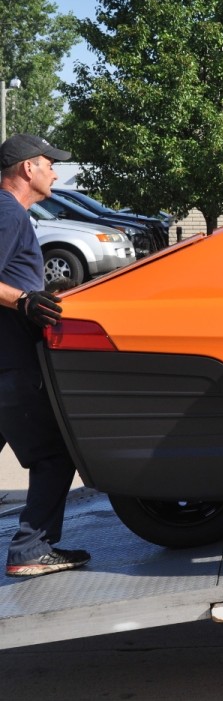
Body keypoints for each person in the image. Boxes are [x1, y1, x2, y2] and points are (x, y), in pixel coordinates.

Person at [0, 134, 90, 578]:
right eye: (49, 163)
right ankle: (29, 550)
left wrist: (40, 294)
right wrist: (23, 302)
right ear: (26, 169)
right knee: (54, 454)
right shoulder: (7, 211)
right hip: (12, 362)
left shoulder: (12, 214)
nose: (56, 171)